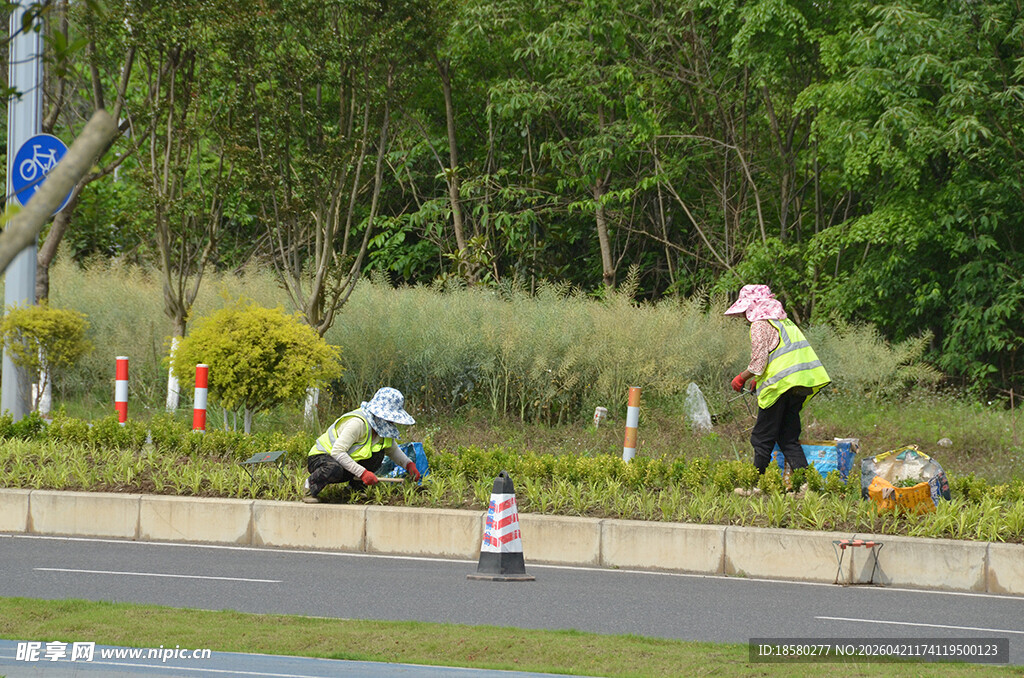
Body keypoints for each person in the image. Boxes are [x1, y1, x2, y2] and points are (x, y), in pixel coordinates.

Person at [725, 285, 830, 475]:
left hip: (780, 386)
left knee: (761, 437)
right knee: (787, 437)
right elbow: (779, 354)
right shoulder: (784, 322)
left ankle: (755, 483)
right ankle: (804, 484)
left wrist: (741, 377)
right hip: (801, 384)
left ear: (752, 306)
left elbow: (758, 362)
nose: (743, 317)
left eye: (744, 310)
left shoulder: (759, 324)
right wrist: (759, 378)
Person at [303, 387, 420, 503]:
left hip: (343, 461)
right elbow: (337, 452)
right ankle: (310, 487)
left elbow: (393, 450)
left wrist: (408, 464)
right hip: (322, 458)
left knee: (377, 455)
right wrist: (362, 473)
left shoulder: (383, 430)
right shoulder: (358, 423)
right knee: (333, 468)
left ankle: (354, 489)